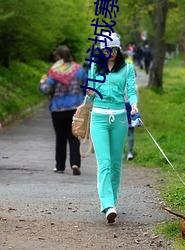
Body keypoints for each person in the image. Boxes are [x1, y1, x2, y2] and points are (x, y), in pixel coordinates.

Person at [87, 33, 138, 223]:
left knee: (116, 164)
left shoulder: (127, 69)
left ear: (119, 49)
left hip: (119, 119)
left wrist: (134, 105)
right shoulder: (94, 66)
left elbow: (131, 91)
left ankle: (112, 201)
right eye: (107, 50)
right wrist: (90, 92)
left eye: (114, 50)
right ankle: (108, 205)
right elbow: (90, 94)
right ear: (101, 50)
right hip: (99, 118)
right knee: (105, 162)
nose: (111, 54)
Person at [39, 45, 87, 175]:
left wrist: (42, 83)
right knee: (74, 137)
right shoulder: (79, 70)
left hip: (58, 109)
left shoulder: (54, 71)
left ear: (58, 57)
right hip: (75, 109)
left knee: (60, 138)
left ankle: (60, 167)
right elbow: (86, 87)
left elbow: (47, 90)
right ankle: (75, 163)